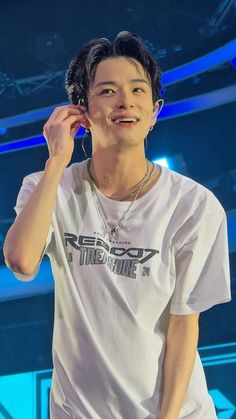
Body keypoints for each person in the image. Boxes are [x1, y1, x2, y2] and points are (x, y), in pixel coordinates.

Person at [3, 31, 231, 419]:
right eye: (107, 91)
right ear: (82, 112)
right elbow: (22, 263)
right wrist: (57, 160)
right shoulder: (48, 188)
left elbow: (183, 325)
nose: (126, 101)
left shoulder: (193, 206)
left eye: (138, 90)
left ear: (155, 110)